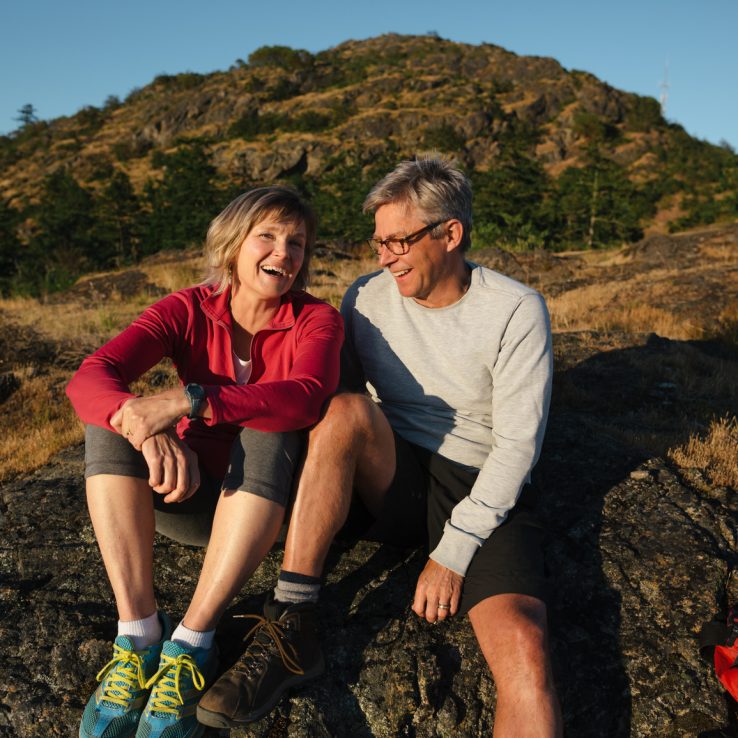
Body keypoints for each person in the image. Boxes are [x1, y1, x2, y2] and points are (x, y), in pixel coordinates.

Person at [197, 156, 562, 736]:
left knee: (522, 641)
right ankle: (293, 619)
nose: (386, 257)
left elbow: (518, 446)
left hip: (478, 476)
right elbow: (328, 404)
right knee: (345, 409)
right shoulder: (365, 297)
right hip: (391, 473)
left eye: (399, 241)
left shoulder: (516, 309)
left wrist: (453, 551)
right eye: (378, 244)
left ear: (450, 234)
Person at [66, 186, 343, 738]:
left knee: (272, 423)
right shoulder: (186, 307)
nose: (284, 253)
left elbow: (307, 394)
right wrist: (145, 430)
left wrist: (189, 401)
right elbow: (90, 377)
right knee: (112, 420)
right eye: (267, 235)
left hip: (262, 507)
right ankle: (139, 638)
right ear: (234, 242)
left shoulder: (318, 320)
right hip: (183, 495)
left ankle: (192, 645)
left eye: (297, 243)